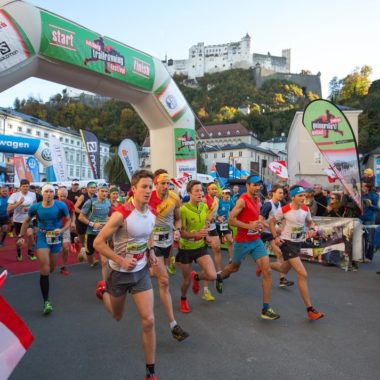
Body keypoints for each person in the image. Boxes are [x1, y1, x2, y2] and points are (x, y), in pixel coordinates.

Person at [93, 170, 158, 380]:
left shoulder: (152, 213)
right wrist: (121, 260)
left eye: (151, 187)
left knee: (149, 321)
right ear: (134, 189)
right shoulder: (121, 214)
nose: (148, 190)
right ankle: (103, 291)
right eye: (144, 187)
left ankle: (150, 372)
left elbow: (147, 236)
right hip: (118, 274)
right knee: (117, 315)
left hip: (140, 273)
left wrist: (151, 252)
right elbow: (98, 243)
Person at [219, 175, 280, 320]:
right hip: (242, 242)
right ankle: (219, 277)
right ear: (247, 185)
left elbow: (257, 220)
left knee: (268, 271)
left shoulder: (258, 200)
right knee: (233, 268)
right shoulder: (242, 200)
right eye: (254, 185)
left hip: (256, 240)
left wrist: (268, 227)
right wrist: (249, 226)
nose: (257, 188)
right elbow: (231, 220)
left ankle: (265, 309)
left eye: (259, 185)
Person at [267, 185, 324, 321]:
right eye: (300, 195)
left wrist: (313, 228)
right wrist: (275, 236)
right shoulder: (285, 209)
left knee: (282, 268)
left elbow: (309, 222)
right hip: (287, 243)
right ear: (293, 197)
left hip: (298, 243)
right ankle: (310, 310)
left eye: (304, 195)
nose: (303, 198)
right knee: (303, 274)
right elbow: (271, 222)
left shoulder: (305, 209)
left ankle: (265, 266)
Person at [148, 169, 189, 341]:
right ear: (156, 184)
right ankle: (173, 325)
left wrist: (178, 230)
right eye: (162, 183)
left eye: (168, 183)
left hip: (167, 242)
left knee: (156, 273)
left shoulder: (174, 198)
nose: (165, 186)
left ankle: (148, 270)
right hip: (151, 243)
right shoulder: (147, 197)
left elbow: (178, 219)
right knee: (164, 280)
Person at [17, 184, 70, 315]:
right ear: (42, 193)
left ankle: (47, 272)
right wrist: (20, 236)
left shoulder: (61, 206)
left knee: (51, 267)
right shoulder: (36, 207)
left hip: (56, 237)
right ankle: (46, 301)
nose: (48, 193)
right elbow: (25, 222)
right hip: (41, 236)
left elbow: (68, 220)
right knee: (44, 267)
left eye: (51, 191)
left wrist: (62, 230)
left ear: (54, 193)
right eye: (46, 191)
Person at [177, 180, 222, 313]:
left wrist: (206, 235)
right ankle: (183, 298)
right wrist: (195, 235)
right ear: (189, 193)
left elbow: (205, 224)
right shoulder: (183, 210)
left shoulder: (204, 206)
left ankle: (196, 277)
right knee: (186, 282)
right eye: (196, 191)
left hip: (200, 247)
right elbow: (181, 232)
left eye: (201, 190)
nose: (200, 193)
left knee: (212, 275)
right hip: (185, 249)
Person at [260, 184, 294, 288]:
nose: (282, 195)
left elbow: (284, 218)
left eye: (282, 193)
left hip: (271, 234)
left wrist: (280, 228)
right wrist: (272, 227)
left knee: (279, 253)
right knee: (257, 256)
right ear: (273, 193)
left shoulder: (282, 204)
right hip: (262, 232)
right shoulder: (267, 205)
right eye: (279, 193)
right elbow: (260, 220)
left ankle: (282, 279)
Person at [78, 184, 111, 280]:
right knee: (90, 256)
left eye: (106, 191)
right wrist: (93, 224)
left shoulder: (108, 203)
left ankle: (105, 283)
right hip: (91, 233)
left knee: (105, 262)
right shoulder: (91, 202)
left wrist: (109, 221)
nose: (104, 193)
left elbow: (107, 216)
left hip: (102, 234)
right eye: (102, 191)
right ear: (97, 191)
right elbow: (81, 217)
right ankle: (84, 252)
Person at [7, 179, 37, 261]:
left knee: (30, 234)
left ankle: (30, 253)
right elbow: (8, 209)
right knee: (19, 239)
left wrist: (36, 214)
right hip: (18, 220)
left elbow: (35, 205)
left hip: (29, 219)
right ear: (20, 187)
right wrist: (19, 203)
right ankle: (19, 252)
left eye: (27, 186)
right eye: (23, 186)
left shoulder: (33, 194)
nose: (25, 188)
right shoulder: (15, 195)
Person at [202, 182, 222, 301]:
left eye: (215, 189)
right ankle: (205, 289)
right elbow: (204, 215)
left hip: (213, 227)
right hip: (204, 229)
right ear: (208, 190)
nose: (215, 191)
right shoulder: (204, 200)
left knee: (217, 249)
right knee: (206, 257)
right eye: (212, 189)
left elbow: (215, 214)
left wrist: (217, 217)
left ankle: (219, 273)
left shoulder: (217, 200)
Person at [74, 181, 98, 261]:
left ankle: (91, 258)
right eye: (91, 187)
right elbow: (75, 207)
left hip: (91, 222)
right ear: (87, 188)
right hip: (81, 221)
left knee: (90, 240)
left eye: (94, 188)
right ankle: (80, 248)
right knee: (82, 239)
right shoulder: (83, 196)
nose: (93, 189)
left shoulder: (96, 197)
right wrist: (83, 213)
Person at [57, 187, 76, 276]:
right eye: (61, 196)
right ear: (58, 195)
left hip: (65, 228)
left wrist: (72, 222)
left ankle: (63, 266)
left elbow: (73, 213)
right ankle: (49, 265)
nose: (62, 198)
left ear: (67, 196)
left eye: (64, 196)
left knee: (66, 248)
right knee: (53, 249)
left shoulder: (69, 203)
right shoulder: (53, 203)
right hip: (54, 229)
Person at [217, 188, 234, 263]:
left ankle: (231, 259)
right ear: (222, 194)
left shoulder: (230, 202)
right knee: (217, 245)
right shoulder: (218, 201)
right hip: (217, 224)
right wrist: (218, 217)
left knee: (230, 241)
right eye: (226, 194)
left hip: (224, 224)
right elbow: (214, 212)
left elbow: (233, 211)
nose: (227, 195)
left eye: (228, 194)